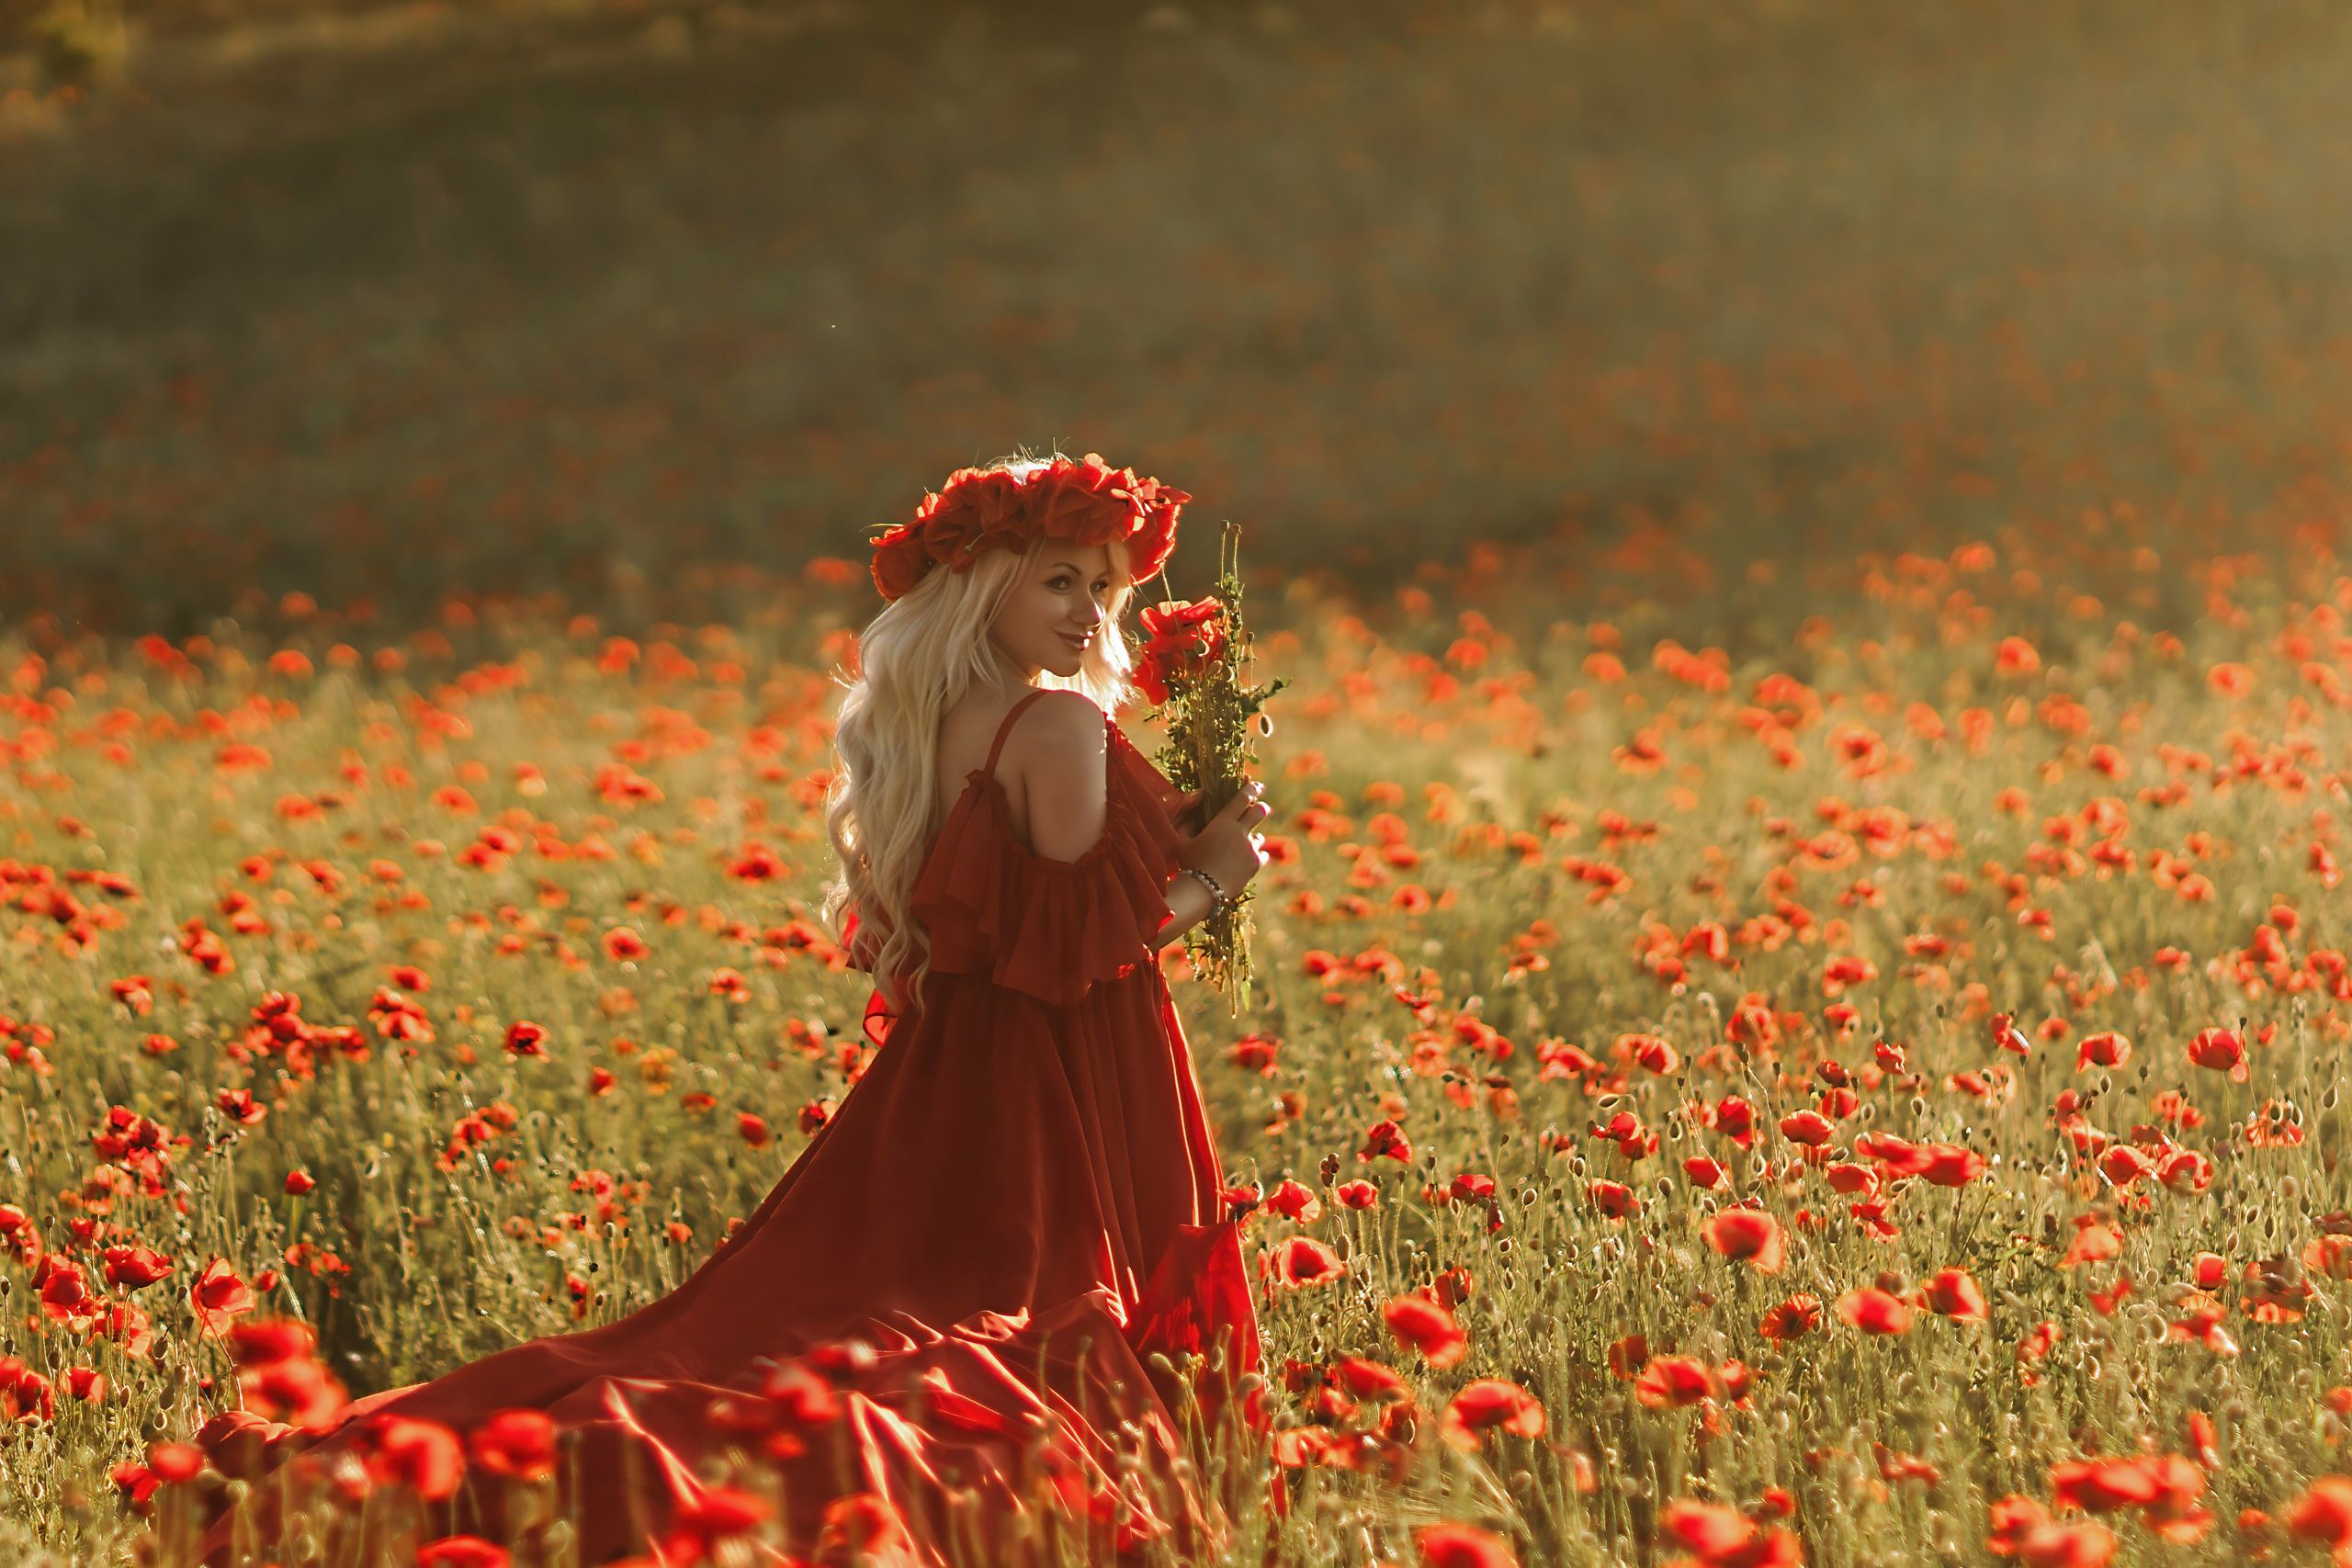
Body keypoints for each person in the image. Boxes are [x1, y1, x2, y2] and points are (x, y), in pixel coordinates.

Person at [202, 453, 1274, 1567]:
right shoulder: (1053, 724)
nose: (1088, 612)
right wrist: (1216, 876)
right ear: (983, 583)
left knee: (823, 1313)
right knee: (1031, 1318)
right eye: (1058, 581)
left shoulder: (934, 718)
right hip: (1060, 1073)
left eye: (1102, 588)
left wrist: (1170, 837)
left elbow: (1026, 909)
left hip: (946, 1073)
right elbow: (1078, 954)